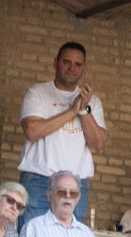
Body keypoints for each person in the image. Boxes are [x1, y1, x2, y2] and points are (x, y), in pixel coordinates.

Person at [17, 42, 105, 225]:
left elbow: (98, 144)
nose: (72, 68)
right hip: (39, 180)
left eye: (78, 64)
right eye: (67, 62)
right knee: (31, 236)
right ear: (55, 63)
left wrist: (83, 110)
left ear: (83, 68)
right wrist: (72, 111)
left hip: (75, 184)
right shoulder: (38, 92)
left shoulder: (92, 102)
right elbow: (32, 131)